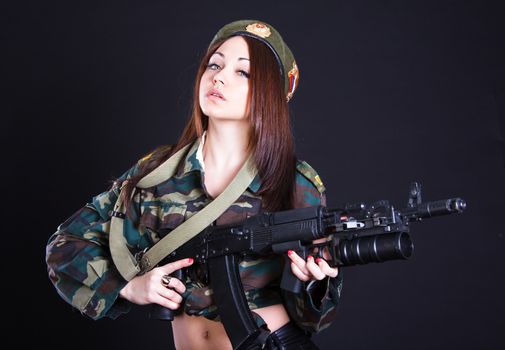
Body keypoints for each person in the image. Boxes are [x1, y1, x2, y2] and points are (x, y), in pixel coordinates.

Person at [46, 19, 343, 350]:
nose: (218, 76)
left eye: (242, 72)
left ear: (270, 94)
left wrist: (312, 284)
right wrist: (128, 286)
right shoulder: (158, 173)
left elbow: (317, 317)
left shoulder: (295, 180)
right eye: (214, 64)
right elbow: (64, 246)